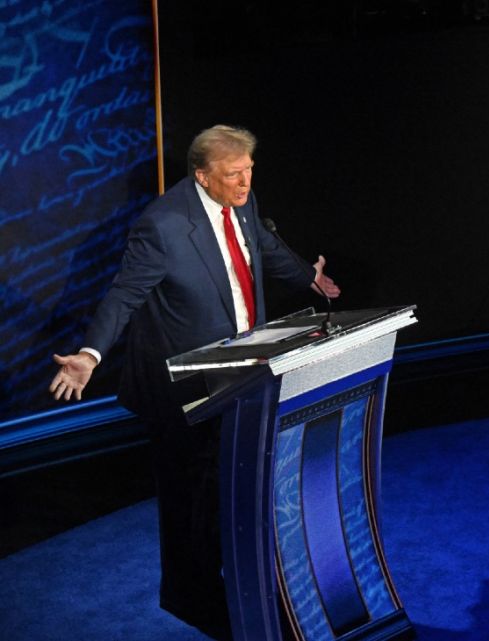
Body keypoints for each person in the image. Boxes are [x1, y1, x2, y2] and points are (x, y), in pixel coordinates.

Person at [48, 124, 340, 639]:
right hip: (182, 386)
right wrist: (91, 355)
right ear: (203, 176)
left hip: (244, 371)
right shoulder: (161, 226)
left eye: (250, 170)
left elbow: (265, 248)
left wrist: (307, 279)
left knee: (234, 484)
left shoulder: (242, 199)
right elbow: (124, 295)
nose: (246, 182)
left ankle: (236, 583)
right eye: (234, 175)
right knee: (191, 497)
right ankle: (191, 597)